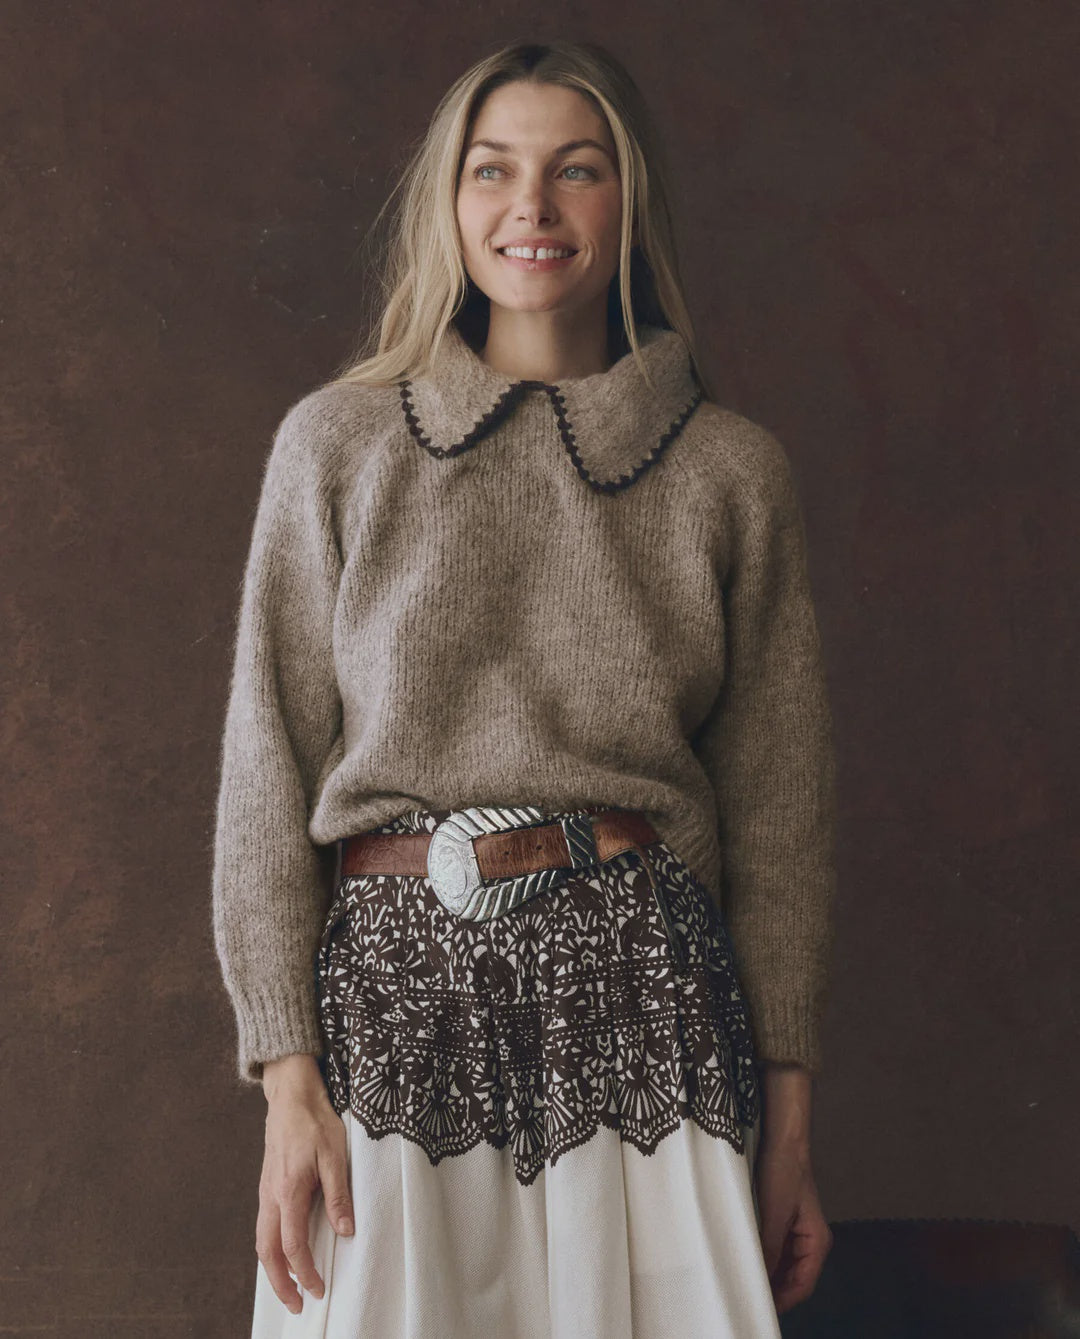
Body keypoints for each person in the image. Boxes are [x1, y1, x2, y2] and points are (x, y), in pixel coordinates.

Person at [212, 38, 838, 1339]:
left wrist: (787, 1125)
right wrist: (286, 1085)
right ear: (450, 201)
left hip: (647, 998)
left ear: (630, 202)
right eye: (493, 171)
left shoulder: (730, 472)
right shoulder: (336, 445)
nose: (531, 209)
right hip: (394, 998)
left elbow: (782, 823)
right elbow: (263, 777)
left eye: (577, 171)